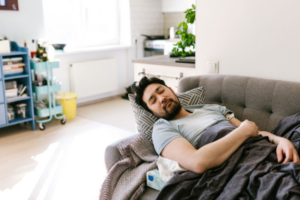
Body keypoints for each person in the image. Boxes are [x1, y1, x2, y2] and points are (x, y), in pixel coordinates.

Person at [131, 76, 300, 174]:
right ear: (152, 112)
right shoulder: (161, 128)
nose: (161, 98)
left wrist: (281, 141)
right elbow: (197, 162)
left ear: (172, 90)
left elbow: (252, 131)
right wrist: (243, 132)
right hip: (235, 161)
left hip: (256, 146)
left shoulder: (211, 108)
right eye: (153, 100)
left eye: (161, 91)